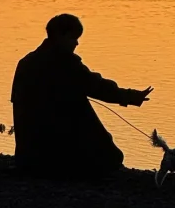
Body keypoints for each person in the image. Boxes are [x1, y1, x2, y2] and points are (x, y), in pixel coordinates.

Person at [11, 14, 152, 180]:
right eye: (74, 38)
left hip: (28, 152)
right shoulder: (65, 62)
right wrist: (131, 96)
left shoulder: (26, 62)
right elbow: (96, 86)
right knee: (112, 158)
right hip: (52, 141)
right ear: (61, 36)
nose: (76, 43)